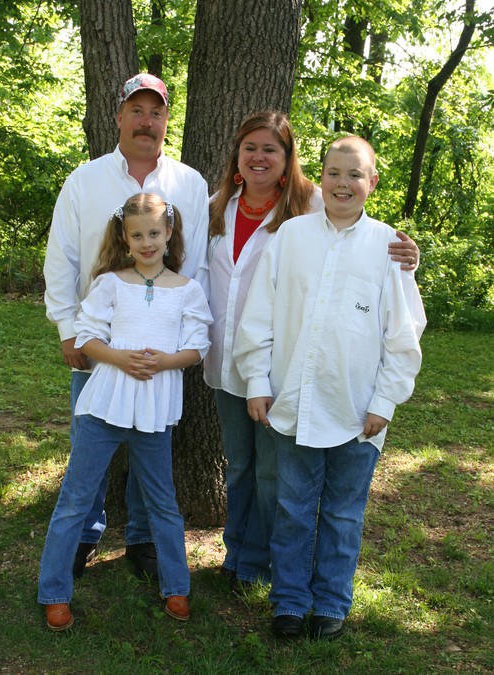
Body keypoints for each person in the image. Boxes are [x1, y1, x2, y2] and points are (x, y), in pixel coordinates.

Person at [204, 112, 421, 588]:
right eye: (250, 148)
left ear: (289, 160)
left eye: (271, 149)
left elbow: (360, 231)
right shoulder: (215, 206)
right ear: (237, 155)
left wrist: (409, 258)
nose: (259, 157)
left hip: (289, 374)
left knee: (276, 477)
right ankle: (243, 559)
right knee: (241, 467)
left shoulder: (311, 204)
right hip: (230, 360)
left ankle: (264, 565)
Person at [43, 73, 209, 580]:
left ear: (166, 120)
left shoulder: (189, 184)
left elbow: (196, 266)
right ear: (118, 116)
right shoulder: (85, 180)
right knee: (90, 444)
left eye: (156, 112)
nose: (146, 121)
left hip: (160, 353)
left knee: (150, 443)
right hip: (97, 346)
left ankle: (142, 538)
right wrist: (68, 330)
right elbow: (61, 259)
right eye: (136, 110)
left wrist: (179, 347)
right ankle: (83, 534)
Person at [38, 194, 212, 631]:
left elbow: (197, 347)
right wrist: (120, 358)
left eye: (154, 233)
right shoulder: (110, 283)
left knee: (162, 502)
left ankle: (176, 587)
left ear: (169, 232)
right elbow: (87, 337)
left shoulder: (187, 289)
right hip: (104, 406)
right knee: (76, 498)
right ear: (125, 237)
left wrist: (164, 362)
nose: (147, 242)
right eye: (137, 235)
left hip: (155, 412)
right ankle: (55, 592)